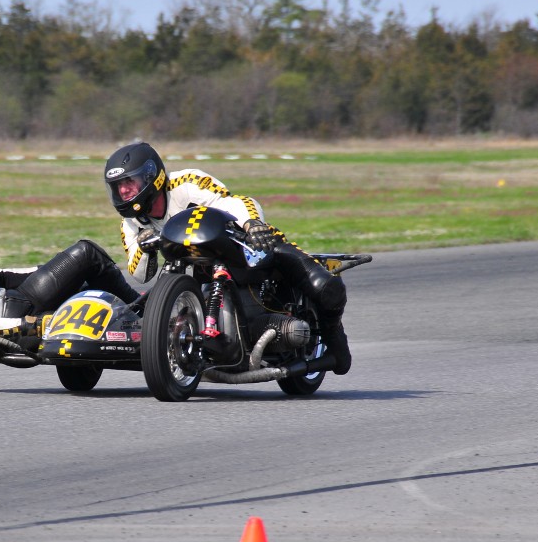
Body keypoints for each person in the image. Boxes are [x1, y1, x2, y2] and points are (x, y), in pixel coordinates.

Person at [102, 142, 352, 375]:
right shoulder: (130, 223)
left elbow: (231, 202)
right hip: (195, 268)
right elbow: (139, 274)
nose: (123, 190)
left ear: (150, 176)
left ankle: (333, 335)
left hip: (243, 245)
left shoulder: (186, 183)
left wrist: (252, 223)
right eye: (118, 186)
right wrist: (145, 249)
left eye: (129, 182)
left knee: (326, 287)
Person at [0, 213, 140, 364]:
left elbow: (3, 277)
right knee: (87, 253)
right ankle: (141, 310)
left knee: (86, 287)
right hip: (18, 330)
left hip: (23, 302)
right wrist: (34, 325)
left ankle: (133, 328)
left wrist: (49, 270)